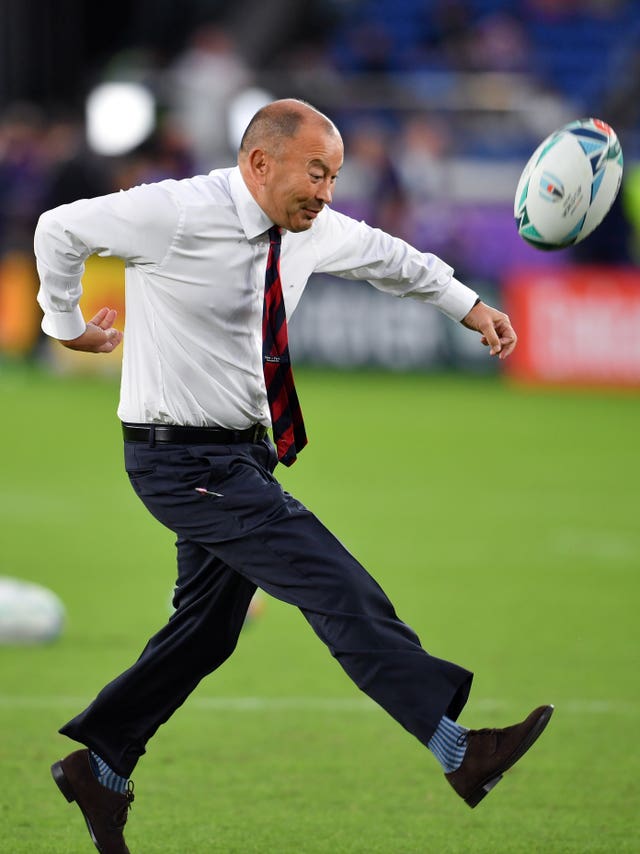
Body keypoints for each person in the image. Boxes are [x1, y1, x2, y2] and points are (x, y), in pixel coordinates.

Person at [34, 98, 553, 854]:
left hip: (241, 455)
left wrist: (469, 305)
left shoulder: (307, 229)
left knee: (206, 633)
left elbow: (390, 257)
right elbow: (58, 228)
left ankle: (101, 768)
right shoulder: (177, 212)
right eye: (317, 172)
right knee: (329, 577)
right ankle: (458, 750)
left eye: (336, 177)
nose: (328, 192)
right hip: (178, 460)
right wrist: (64, 323)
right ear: (259, 163)